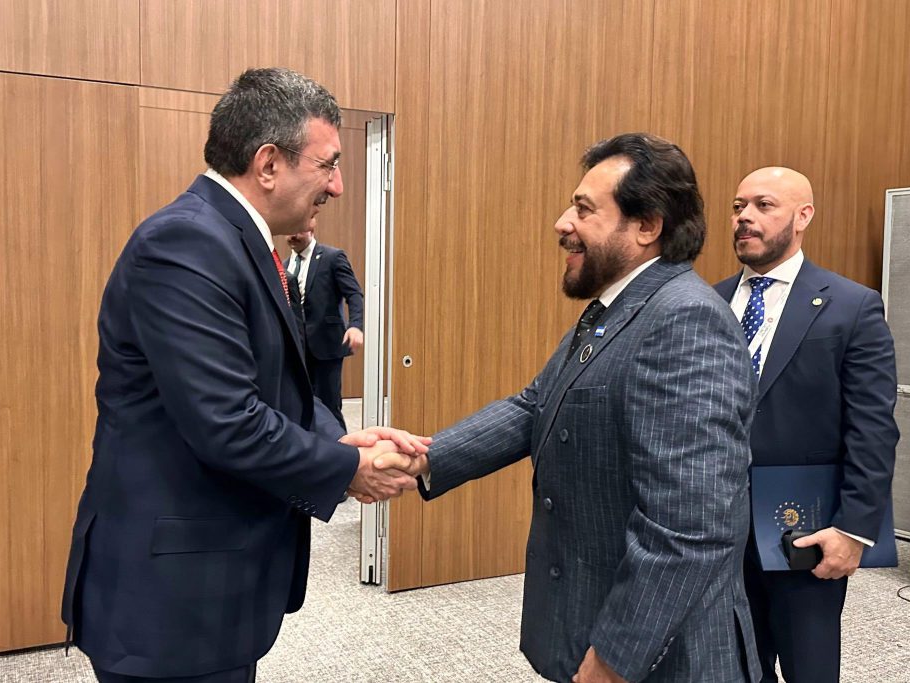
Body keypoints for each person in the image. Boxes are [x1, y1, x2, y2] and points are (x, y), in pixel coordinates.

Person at [60, 67, 428, 683]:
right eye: (329, 165)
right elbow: (227, 420)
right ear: (268, 164)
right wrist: (348, 469)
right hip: (170, 603)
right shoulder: (185, 243)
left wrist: (338, 437)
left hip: (210, 588)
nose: (337, 186)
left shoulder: (234, 239)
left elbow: (269, 382)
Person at [403, 133, 762, 682]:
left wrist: (617, 657)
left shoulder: (685, 321)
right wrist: (424, 457)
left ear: (647, 226)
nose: (562, 223)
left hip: (663, 655)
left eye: (584, 209)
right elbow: (534, 405)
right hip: (591, 606)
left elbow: (689, 524)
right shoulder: (614, 310)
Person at [713, 167, 898, 683]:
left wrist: (854, 529)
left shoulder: (852, 306)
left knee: (809, 668)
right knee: (730, 668)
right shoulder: (708, 303)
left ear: (803, 216)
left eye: (763, 205)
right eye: (738, 206)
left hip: (803, 529)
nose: (744, 217)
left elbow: (873, 428)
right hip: (715, 532)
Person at [285, 228, 364, 429]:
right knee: (300, 406)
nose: (292, 236)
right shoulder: (285, 266)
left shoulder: (332, 257)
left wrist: (355, 326)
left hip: (326, 345)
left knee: (329, 407)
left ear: (310, 228)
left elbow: (354, 294)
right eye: (288, 232)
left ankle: (341, 446)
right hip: (297, 348)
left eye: (297, 231)